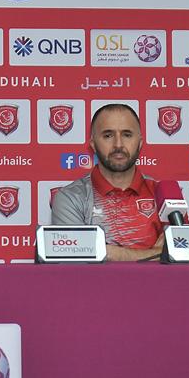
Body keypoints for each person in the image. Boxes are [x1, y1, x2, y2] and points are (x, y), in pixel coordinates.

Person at [50, 103, 167, 261]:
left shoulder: (165, 195)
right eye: (108, 135)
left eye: (127, 135)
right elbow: (76, 267)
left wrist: (113, 253)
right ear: (93, 144)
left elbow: (181, 257)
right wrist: (155, 253)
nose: (118, 145)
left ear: (139, 143)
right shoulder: (70, 198)